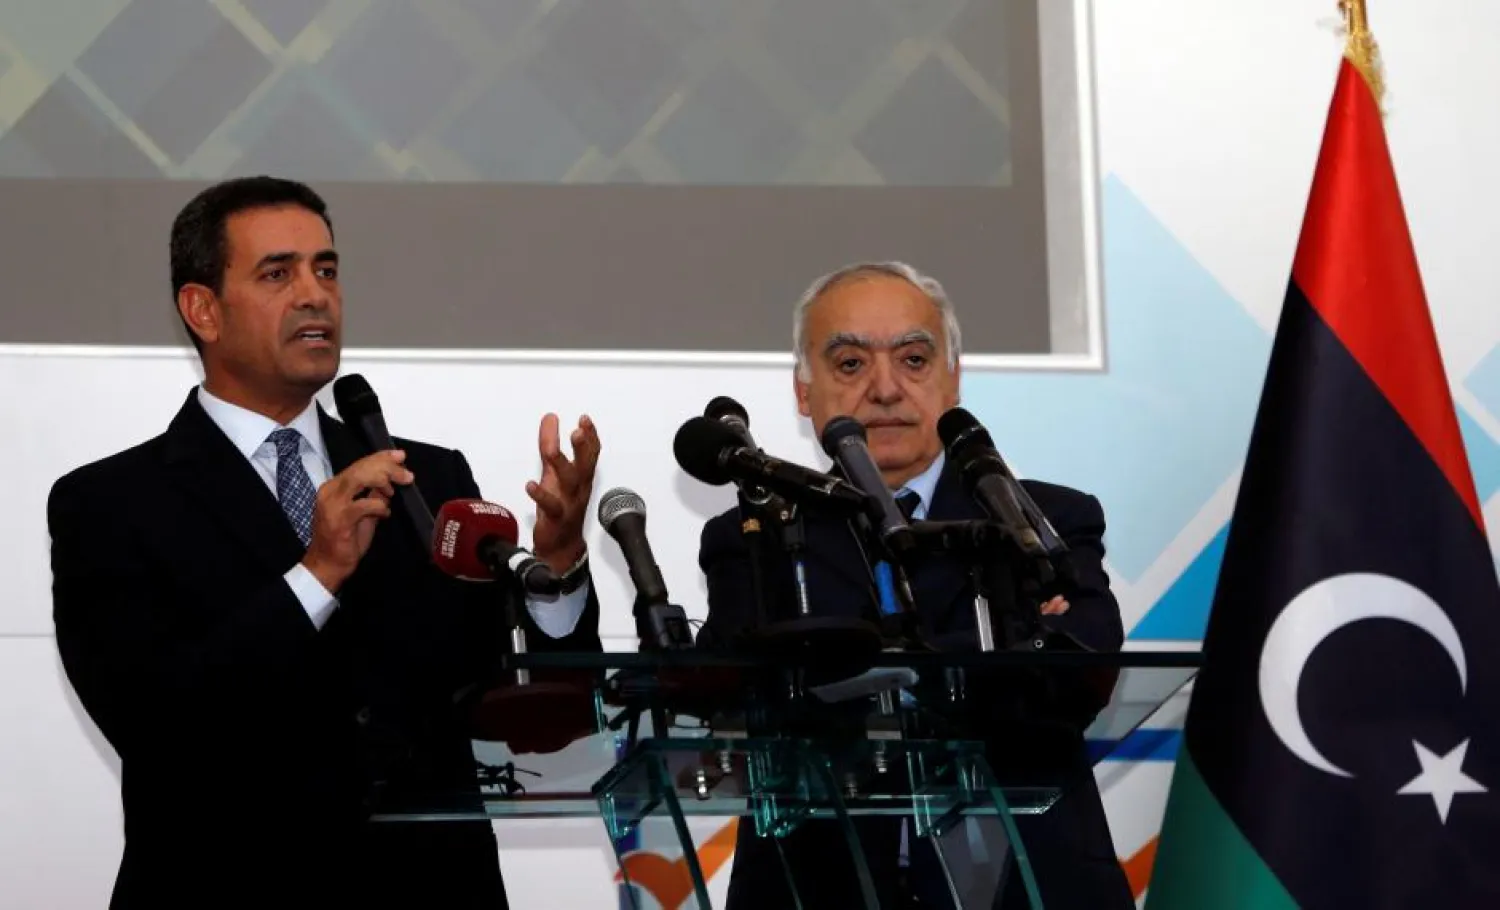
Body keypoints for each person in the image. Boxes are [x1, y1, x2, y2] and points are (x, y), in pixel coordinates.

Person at [48, 176, 603, 909]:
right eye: (278, 273)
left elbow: (527, 707)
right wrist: (316, 573)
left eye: (327, 270)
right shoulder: (111, 503)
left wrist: (557, 566)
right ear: (202, 309)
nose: (315, 295)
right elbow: (154, 724)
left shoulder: (425, 479)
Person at [696, 262, 1132, 908]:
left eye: (914, 359)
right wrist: (996, 648)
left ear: (952, 379)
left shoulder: (1044, 521)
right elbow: (730, 692)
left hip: (1029, 884)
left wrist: (852, 664)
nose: (885, 389)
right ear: (802, 391)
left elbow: (1081, 664)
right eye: (849, 364)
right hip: (814, 890)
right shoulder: (757, 537)